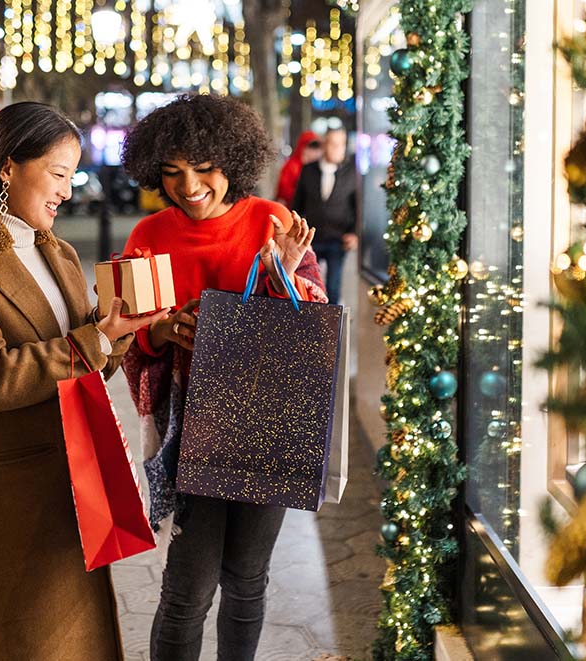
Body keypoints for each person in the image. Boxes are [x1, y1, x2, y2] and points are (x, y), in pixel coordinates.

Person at [0, 102, 167, 659]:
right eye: (57, 174)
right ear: (6, 167)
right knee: (7, 642)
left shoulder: (59, 252)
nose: (67, 192)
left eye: (71, 176)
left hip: (72, 487)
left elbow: (90, 363)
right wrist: (96, 340)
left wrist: (125, 328)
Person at [118, 93, 328, 661]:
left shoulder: (273, 220)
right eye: (173, 172)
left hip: (269, 420)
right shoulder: (148, 236)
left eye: (204, 168)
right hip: (191, 431)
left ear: (232, 161)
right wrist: (160, 333)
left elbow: (309, 323)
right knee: (186, 590)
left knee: (246, 579)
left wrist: (283, 274)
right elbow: (130, 336)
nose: (190, 186)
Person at [290, 126, 358, 304]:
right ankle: (310, 325)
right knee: (308, 285)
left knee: (333, 288)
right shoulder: (308, 170)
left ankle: (331, 329)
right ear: (324, 145)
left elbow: (357, 206)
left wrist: (354, 233)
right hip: (311, 238)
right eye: (333, 144)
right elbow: (297, 203)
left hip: (338, 238)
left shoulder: (351, 172)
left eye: (341, 144)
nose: (337, 148)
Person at [274, 130, 321, 208]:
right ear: (302, 147)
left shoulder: (317, 167)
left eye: (316, 148)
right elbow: (283, 191)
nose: (315, 151)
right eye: (311, 147)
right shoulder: (292, 166)